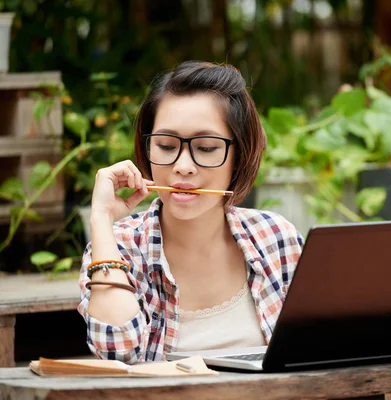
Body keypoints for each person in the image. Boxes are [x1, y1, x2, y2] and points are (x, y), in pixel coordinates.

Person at [77, 61, 304, 364]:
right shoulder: (119, 248)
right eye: (167, 146)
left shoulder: (276, 238)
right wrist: (101, 219)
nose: (183, 166)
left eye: (207, 148)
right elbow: (117, 350)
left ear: (239, 156)